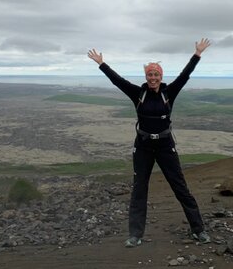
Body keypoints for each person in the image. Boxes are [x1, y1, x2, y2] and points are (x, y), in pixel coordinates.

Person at [87, 39, 212, 248]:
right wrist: (101, 64)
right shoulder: (138, 94)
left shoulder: (168, 93)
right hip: (143, 146)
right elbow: (117, 81)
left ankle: (198, 229)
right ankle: (135, 235)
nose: (153, 78)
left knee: (180, 187)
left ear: (161, 77)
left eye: (156, 75)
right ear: (146, 77)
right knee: (139, 189)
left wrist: (197, 54)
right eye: (150, 75)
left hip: (165, 146)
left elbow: (185, 75)